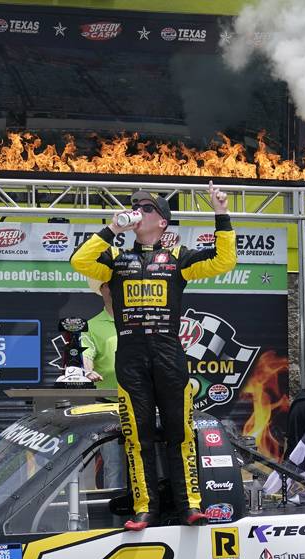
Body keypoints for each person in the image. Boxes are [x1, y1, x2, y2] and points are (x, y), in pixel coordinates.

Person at [68, 184, 236, 531]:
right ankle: (145, 509)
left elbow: (224, 260)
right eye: (135, 207)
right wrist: (113, 228)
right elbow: (79, 260)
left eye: (146, 208)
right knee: (137, 435)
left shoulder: (178, 259)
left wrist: (221, 213)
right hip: (130, 355)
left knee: (180, 432)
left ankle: (190, 504)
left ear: (162, 222)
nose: (137, 211)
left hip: (168, 353)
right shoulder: (115, 260)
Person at [82, 279, 118, 390]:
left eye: (117, 283)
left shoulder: (142, 321)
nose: (113, 288)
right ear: (101, 289)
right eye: (108, 285)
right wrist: (88, 371)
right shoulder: (90, 326)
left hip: (138, 398)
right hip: (104, 399)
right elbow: (85, 353)